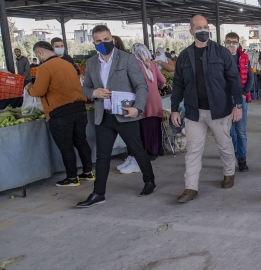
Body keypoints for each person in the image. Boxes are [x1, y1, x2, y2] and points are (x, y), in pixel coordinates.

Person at [78, 25, 156, 207]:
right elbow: (86, 88)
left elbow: (142, 86)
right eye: (98, 41)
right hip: (103, 116)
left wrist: (138, 108)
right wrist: (94, 93)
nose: (103, 43)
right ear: (94, 43)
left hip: (125, 113)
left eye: (106, 39)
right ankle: (98, 193)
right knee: (102, 156)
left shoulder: (127, 59)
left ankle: (149, 181)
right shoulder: (91, 63)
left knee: (137, 149)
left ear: (112, 39)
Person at [171, 15, 243, 203]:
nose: (203, 30)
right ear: (191, 31)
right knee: (193, 150)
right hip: (194, 112)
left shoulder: (221, 53)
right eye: (199, 27)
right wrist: (174, 109)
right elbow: (178, 84)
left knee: (225, 145)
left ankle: (229, 173)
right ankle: (190, 187)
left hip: (219, 110)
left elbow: (234, 79)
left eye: (205, 26)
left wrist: (238, 105)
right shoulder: (185, 56)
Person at [27, 41, 94, 187]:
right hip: (79, 108)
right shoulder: (67, 63)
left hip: (60, 113)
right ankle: (88, 172)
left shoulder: (44, 67)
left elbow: (38, 91)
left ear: (39, 53)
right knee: (81, 141)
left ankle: (71, 178)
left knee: (66, 146)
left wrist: (29, 89)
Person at [122, 43, 166, 167]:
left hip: (141, 100)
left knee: (143, 127)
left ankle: (145, 151)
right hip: (155, 100)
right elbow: (162, 81)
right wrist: (158, 86)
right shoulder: (152, 64)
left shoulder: (133, 66)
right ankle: (156, 150)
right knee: (155, 126)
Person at [224, 32, 254, 172]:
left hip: (240, 98)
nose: (231, 44)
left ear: (238, 42)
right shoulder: (220, 58)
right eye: (229, 41)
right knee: (229, 131)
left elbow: (250, 78)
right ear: (224, 42)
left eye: (234, 41)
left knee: (240, 130)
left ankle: (242, 159)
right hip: (225, 99)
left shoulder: (244, 58)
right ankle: (234, 152)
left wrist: (243, 93)